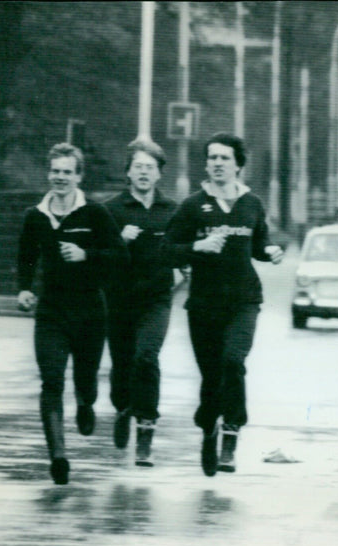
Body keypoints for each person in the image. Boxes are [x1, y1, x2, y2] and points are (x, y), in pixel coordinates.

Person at [161, 132, 284, 477]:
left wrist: (270, 251)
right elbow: (166, 249)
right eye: (212, 157)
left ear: (238, 165)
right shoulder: (192, 205)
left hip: (244, 300)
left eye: (224, 158)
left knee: (233, 361)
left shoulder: (252, 203)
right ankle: (208, 427)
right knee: (212, 375)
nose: (216, 163)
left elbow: (259, 243)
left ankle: (231, 430)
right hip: (203, 304)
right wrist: (197, 248)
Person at [17, 142, 128, 485]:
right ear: (48, 174)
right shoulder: (35, 216)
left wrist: (86, 255)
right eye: (55, 171)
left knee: (86, 378)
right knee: (51, 379)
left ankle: (85, 402)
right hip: (51, 310)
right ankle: (58, 455)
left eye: (67, 172)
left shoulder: (95, 214)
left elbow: (120, 257)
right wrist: (24, 289)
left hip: (90, 310)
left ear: (79, 176)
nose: (60, 177)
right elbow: (25, 258)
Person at [103, 139, 179, 467]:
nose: (144, 173)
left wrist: (183, 272)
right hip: (119, 300)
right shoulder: (111, 209)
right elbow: (99, 255)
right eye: (138, 167)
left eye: (150, 167)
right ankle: (123, 408)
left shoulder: (172, 210)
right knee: (122, 366)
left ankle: (146, 431)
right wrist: (120, 240)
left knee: (146, 357)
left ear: (160, 174)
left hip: (157, 299)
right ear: (128, 172)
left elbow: (183, 248)